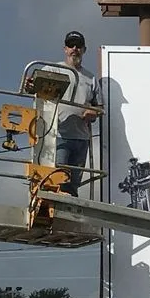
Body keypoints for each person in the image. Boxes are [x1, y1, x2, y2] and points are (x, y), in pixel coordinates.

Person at [54, 30, 102, 197]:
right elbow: (34, 88)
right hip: (58, 135)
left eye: (78, 46)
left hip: (81, 138)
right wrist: (29, 84)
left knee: (73, 186)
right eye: (71, 45)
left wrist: (93, 112)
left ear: (84, 49)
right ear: (65, 49)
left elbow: (99, 107)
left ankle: (70, 217)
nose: (75, 48)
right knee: (56, 180)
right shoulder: (54, 70)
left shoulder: (91, 78)